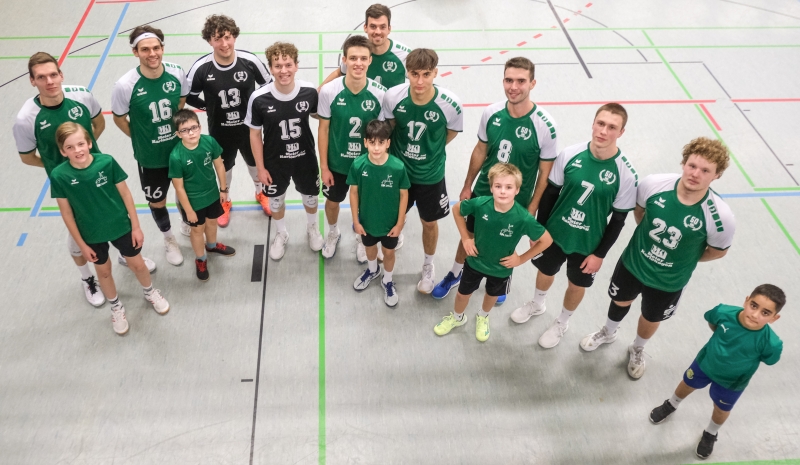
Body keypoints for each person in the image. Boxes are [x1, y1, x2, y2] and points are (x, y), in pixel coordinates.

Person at [580, 137, 736, 379]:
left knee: (651, 316)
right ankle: (608, 332)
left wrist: (684, 257)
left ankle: (637, 348)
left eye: (705, 170)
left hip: (669, 281)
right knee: (620, 300)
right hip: (633, 263)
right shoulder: (653, 184)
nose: (695, 174)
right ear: (683, 163)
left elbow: (717, 251)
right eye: (692, 165)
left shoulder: (721, 217)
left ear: (717, 175)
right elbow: (640, 213)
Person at [13, 52, 154, 308]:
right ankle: (87, 278)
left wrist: (85, 155)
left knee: (116, 212)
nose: (49, 81)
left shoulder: (81, 95)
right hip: (70, 186)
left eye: (53, 75)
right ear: (32, 81)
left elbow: (98, 124)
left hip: (97, 172)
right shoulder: (26, 119)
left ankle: (126, 253)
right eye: (41, 77)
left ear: (61, 74)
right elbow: (27, 157)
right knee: (79, 234)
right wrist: (58, 167)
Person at [431, 57, 558, 305]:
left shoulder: (545, 125)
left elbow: (545, 173)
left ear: (532, 83)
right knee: (469, 236)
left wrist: (532, 207)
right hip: (484, 192)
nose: (514, 87)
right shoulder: (491, 113)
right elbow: (481, 149)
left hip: (516, 200)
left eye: (521, 81)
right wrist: (467, 185)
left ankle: (500, 279)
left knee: (505, 241)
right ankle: (455, 273)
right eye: (509, 80)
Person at [510, 104, 638, 349]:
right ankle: (538, 303)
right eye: (600, 123)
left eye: (612, 127)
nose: (604, 131)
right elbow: (550, 194)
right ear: (593, 124)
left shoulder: (626, 174)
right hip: (555, 233)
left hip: (588, 243)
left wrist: (599, 254)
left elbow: (618, 220)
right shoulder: (570, 154)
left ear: (621, 132)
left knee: (576, 285)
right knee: (545, 271)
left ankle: (562, 322)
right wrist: (540, 230)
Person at [50, 123, 170, 335]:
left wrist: (136, 227)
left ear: (89, 143)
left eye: (80, 144)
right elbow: (67, 214)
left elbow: (126, 195)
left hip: (120, 226)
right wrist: (81, 245)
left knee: (138, 265)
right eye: (70, 147)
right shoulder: (59, 175)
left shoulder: (106, 162)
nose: (77, 150)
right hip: (91, 234)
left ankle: (150, 292)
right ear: (62, 151)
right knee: (104, 272)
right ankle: (116, 307)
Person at [648, 284, 785, 460]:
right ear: (746, 301)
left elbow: (769, 359)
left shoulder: (772, 343)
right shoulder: (723, 312)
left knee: (721, 409)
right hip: (704, 364)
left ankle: (711, 433)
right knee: (687, 384)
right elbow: (712, 322)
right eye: (754, 305)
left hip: (732, 382)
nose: (755, 314)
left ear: (774, 318)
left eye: (765, 313)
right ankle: (671, 404)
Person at [433, 163, 552, 342]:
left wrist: (521, 259)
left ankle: (483, 316)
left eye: (508, 187)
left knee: (492, 296)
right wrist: (466, 238)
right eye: (498, 186)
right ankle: (457, 317)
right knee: (462, 294)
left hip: (500, 269)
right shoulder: (481, 203)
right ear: (491, 188)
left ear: (517, 190)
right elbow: (457, 209)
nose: (503, 191)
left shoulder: (523, 218)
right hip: (474, 262)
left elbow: (546, 240)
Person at [381, 48, 463, 293]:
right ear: (407, 72)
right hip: (399, 172)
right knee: (393, 217)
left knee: (429, 222)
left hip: (430, 176)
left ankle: (428, 265)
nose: (419, 81)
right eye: (414, 74)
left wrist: (430, 150)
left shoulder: (450, 104)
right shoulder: (393, 97)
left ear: (435, 73)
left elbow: (450, 133)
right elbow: (391, 127)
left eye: (426, 74)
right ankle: (393, 246)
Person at [112, 25, 189, 267]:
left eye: (156, 48)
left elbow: (181, 101)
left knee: (185, 191)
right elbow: (118, 118)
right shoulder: (125, 85)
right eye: (145, 49)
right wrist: (140, 138)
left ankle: (186, 222)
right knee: (157, 201)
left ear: (162, 48)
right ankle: (169, 239)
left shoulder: (176, 72)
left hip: (179, 150)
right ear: (135, 52)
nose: (152, 54)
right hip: (151, 157)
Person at [186, 14, 273, 225]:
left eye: (227, 37)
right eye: (217, 39)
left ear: (234, 36)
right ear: (209, 41)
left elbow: (268, 86)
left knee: (255, 164)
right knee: (224, 168)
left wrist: (260, 111)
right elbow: (188, 95)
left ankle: (261, 192)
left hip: (249, 129)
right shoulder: (201, 68)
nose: (224, 44)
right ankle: (225, 200)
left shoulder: (249, 61)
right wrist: (208, 106)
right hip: (220, 130)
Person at [245, 41, 323, 260]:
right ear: (270, 68)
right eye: (277, 66)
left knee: (310, 197)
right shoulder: (258, 98)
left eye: (288, 65)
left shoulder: (308, 92)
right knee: (276, 200)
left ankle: (312, 227)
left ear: (296, 65)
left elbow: (320, 116)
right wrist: (260, 168)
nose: (283, 70)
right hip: (274, 161)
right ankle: (281, 233)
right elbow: (254, 135)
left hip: (305, 158)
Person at [318, 35, 387, 260]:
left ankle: (361, 237)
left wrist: (379, 166)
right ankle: (333, 232)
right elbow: (323, 129)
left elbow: (381, 135)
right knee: (332, 202)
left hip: (366, 164)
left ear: (370, 61)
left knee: (364, 205)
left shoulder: (380, 94)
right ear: (344, 60)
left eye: (363, 58)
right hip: (337, 163)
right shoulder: (329, 91)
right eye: (353, 58)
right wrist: (324, 167)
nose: (358, 63)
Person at [169, 110, 236, 281]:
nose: (191, 133)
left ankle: (212, 246)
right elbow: (179, 188)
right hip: (193, 202)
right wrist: (189, 210)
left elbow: (219, 166)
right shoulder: (176, 156)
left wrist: (223, 190)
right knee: (197, 230)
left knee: (212, 222)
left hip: (212, 194)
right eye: (185, 130)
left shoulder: (209, 142)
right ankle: (201, 259)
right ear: (178, 134)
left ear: (200, 127)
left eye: (194, 128)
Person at [349, 120, 409, 307]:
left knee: (389, 252)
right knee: (369, 248)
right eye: (372, 142)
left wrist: (399, 223)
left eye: (381, 143)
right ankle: (373, 270)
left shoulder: (398, 167)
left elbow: (404, 195)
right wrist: (356, 221)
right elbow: (353, 193)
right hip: (367, 221)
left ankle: (387, 280)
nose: (376, 148)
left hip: (390, 224)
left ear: (388, 143)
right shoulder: (358, 165)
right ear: (365, 142)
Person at [319, 3, 411, 89]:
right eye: (373, 26)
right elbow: (339, 72)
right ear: (365, 27)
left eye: (382, 27)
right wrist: (317, 92)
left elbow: (418, 79)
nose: (378, 32)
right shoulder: (356, 52)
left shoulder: (404, 54)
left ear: (389, 29)